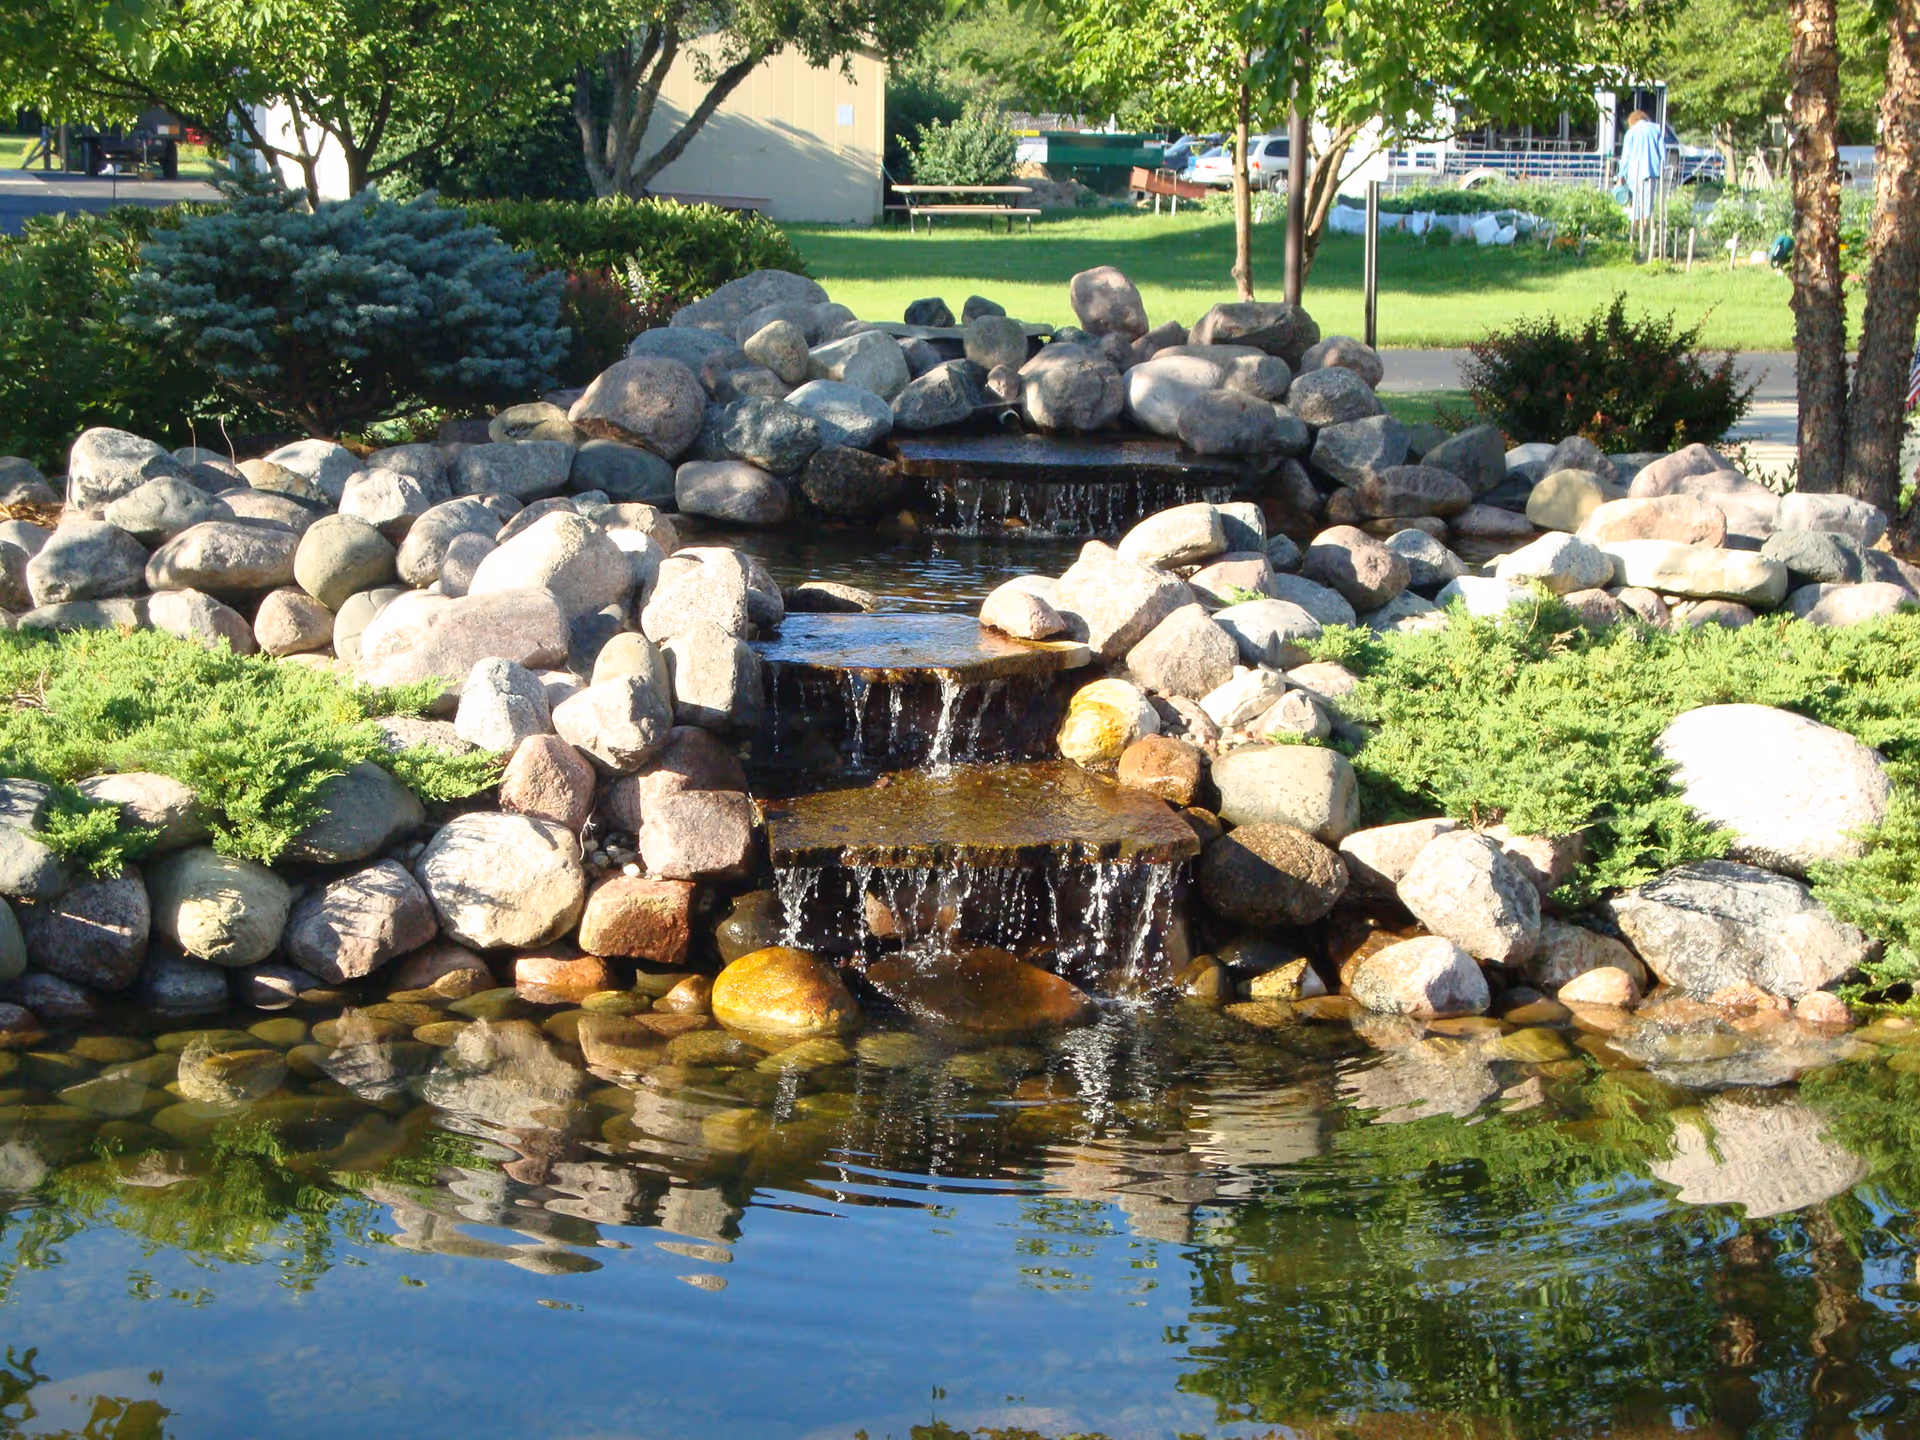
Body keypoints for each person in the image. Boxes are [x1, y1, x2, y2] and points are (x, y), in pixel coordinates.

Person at [1619, 109, 1664, 223]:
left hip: (1634, 174)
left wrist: (1621, 176)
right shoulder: (1656, 130)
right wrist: (1662, 170)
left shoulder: (1631, 133)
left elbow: (1626, 157)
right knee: (1648, 207)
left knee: (1635, 205)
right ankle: (1646, 230)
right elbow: (1662, 154)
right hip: (1651, 173)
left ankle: (1634, 232)